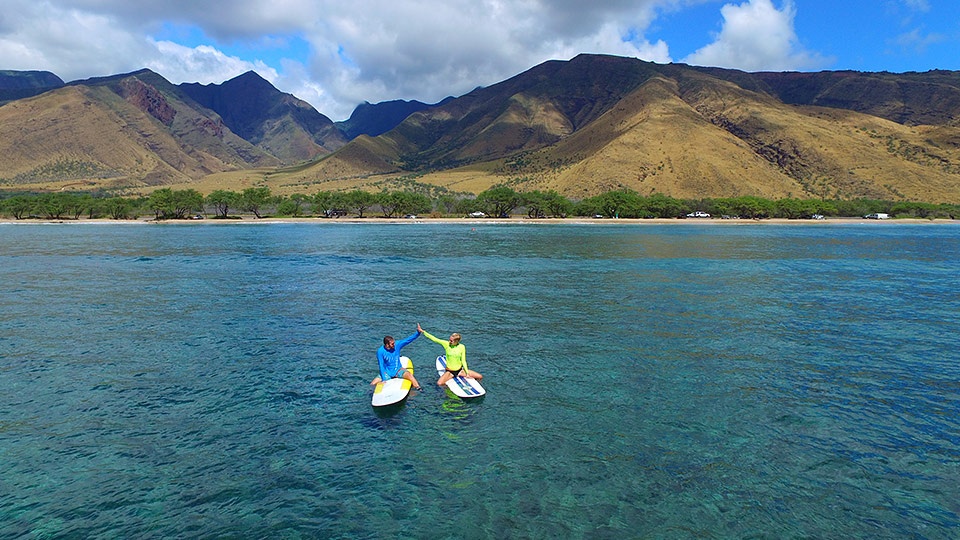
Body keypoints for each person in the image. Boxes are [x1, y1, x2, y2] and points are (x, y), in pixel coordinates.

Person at [418, 323, 482, 386]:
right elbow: (435, 339)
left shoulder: (462, 347)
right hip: (450, 372)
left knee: (479, 376)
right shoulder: (446, 344)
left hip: (460, 371)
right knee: (439, 383)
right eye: (449, 339)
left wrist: (467, 373)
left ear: (456, 341)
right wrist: (423, 332)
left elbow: (463, 360)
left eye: (451, 341)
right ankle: (446, 391)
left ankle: (475, 385)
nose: (449, 341)